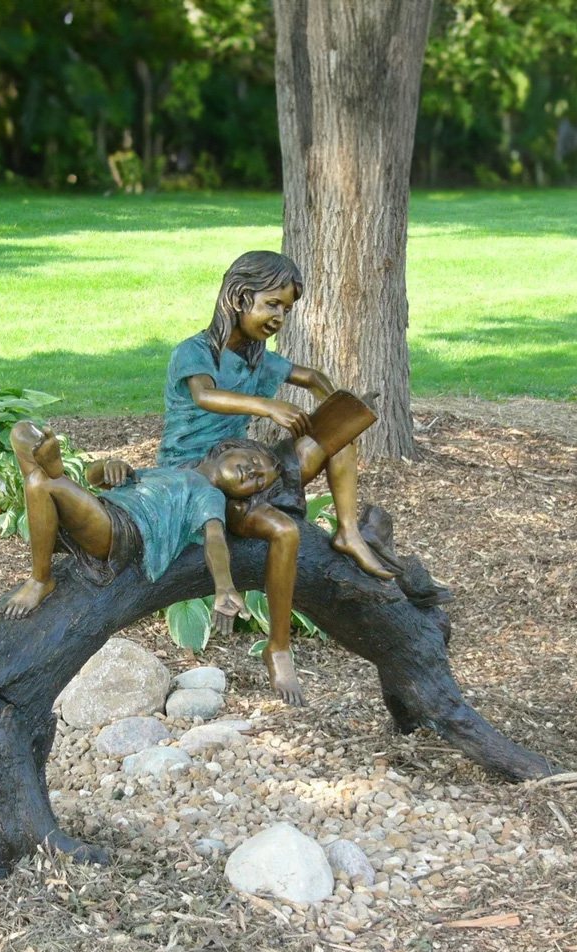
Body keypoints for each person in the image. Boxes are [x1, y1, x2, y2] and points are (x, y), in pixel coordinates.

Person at [158, 249, 399, 704]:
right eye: (272, 304)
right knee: (284, 530)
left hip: (248, 466)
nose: (280, 316)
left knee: (342, 433)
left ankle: (348, 531)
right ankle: (279, 649)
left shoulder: (260, 360)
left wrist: (335, 403)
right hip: (202, 476)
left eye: (286, 309)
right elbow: (206, 396)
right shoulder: (194, 352)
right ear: (238, 297)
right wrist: (267, 406)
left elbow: (309, 376)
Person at [2, 420, 284, 640]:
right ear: (227, 448)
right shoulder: (170, 472)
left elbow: (214, 538)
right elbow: (95, 480)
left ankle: (41, 579)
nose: (252, 473)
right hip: (102, 508)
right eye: (255, 462)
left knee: (40, 482)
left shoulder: (210, 496)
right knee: (22, 432)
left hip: (122, 531)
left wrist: (224, 587)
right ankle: (54, 471)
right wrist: (108, 467)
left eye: (258, 483)